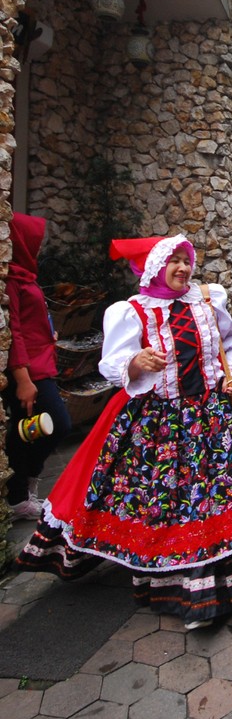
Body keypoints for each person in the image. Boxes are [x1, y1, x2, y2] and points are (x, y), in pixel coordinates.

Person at [16, 234, 232, 629]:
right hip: (157, 425)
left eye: (186, 261)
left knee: (211, 499)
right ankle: (180, 584)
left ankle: (211, 583)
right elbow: (112, 364)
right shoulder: (132, 311)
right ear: (152, 267)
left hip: (211, 419)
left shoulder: (207, 301)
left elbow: (231, 343)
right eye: (173, 261)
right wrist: (136, 362)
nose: (183, 269)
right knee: (165, 503)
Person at [5, 213, 72, 519]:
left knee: (32, 430)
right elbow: (12, 330)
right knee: (55, 425)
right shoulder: (12, 281)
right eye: (35, 241)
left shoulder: (24, 276)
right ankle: (19, 494)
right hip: (29, 370)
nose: (38, 247)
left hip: (41, 364)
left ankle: (24, 491)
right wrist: (22, 378)